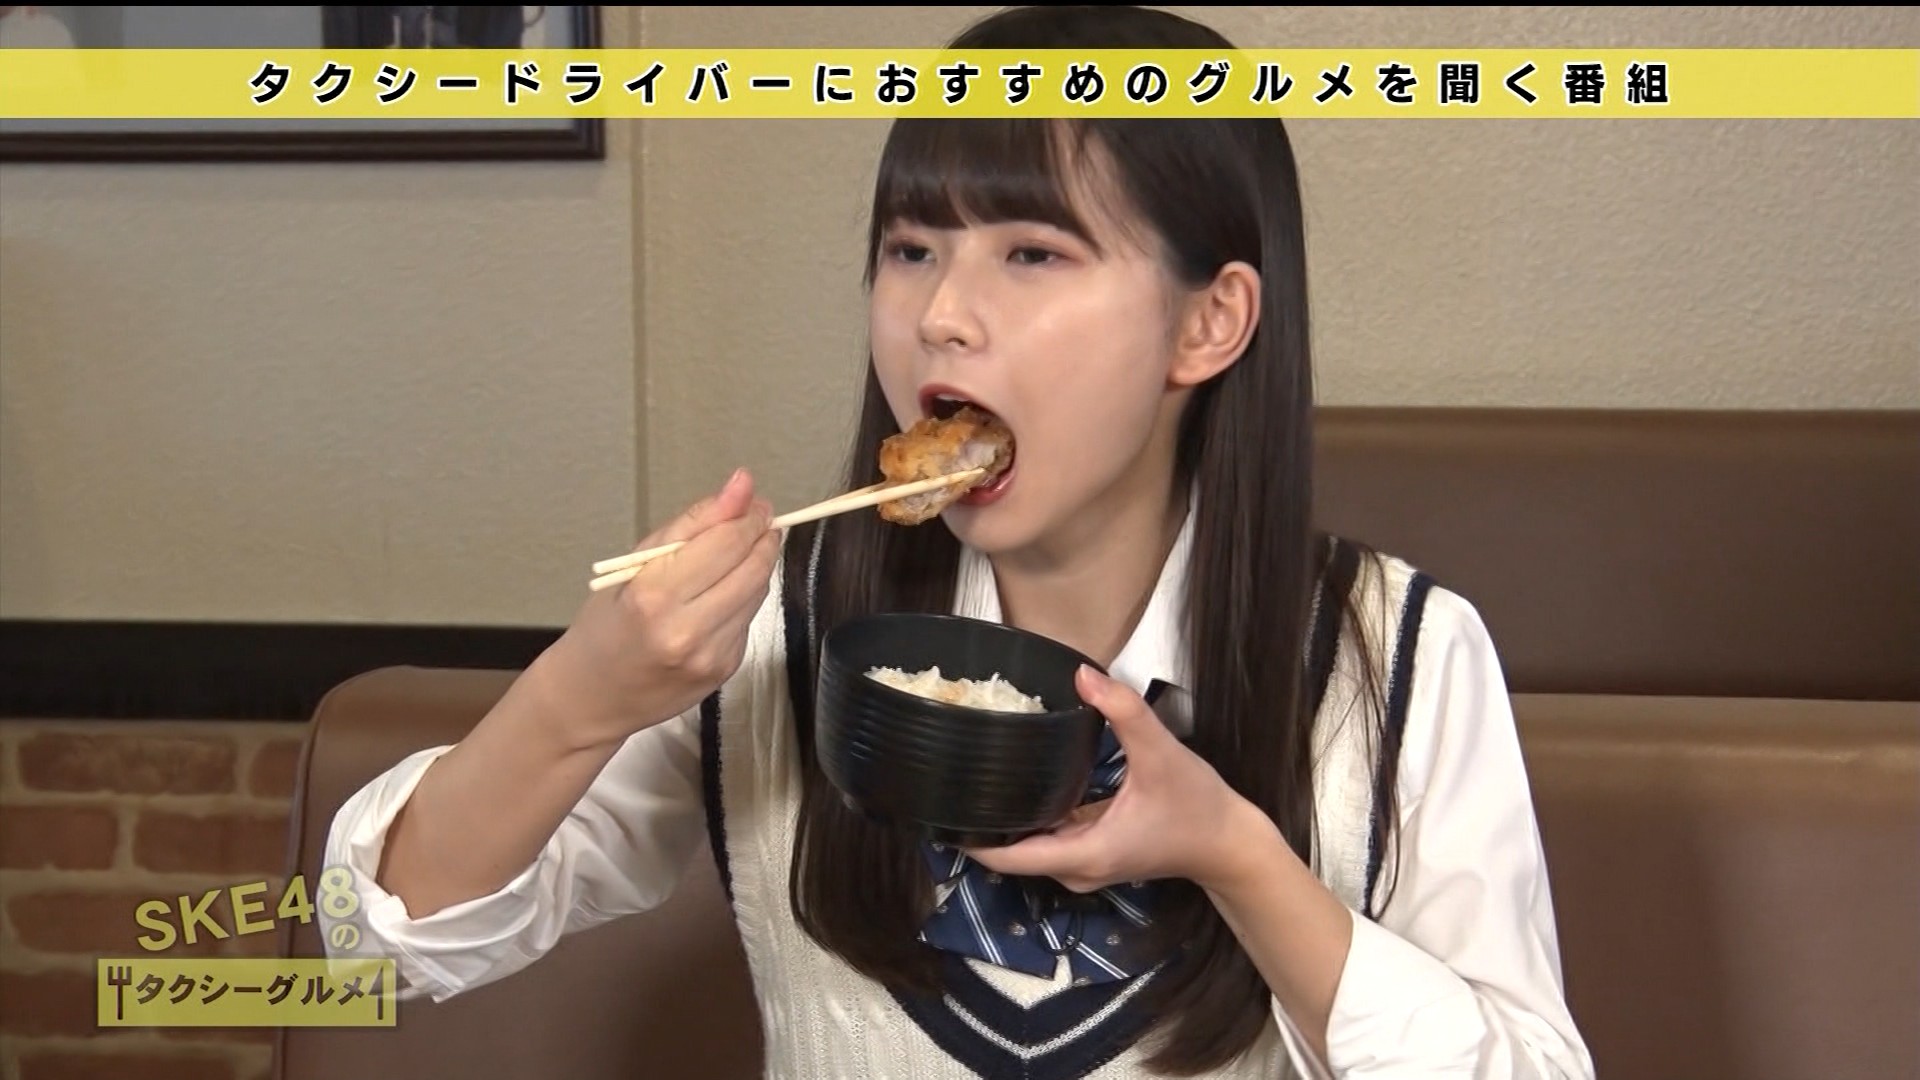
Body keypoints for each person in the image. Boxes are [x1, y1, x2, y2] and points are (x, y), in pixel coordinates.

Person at [324, 6, 1595, 1077]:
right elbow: (372, 940)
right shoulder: (774, 631)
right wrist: (579, 697)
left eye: (1031, 252)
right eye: (911, 248)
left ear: (1207, 325)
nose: (940, 314)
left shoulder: (1396, 653)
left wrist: (1235, 854)